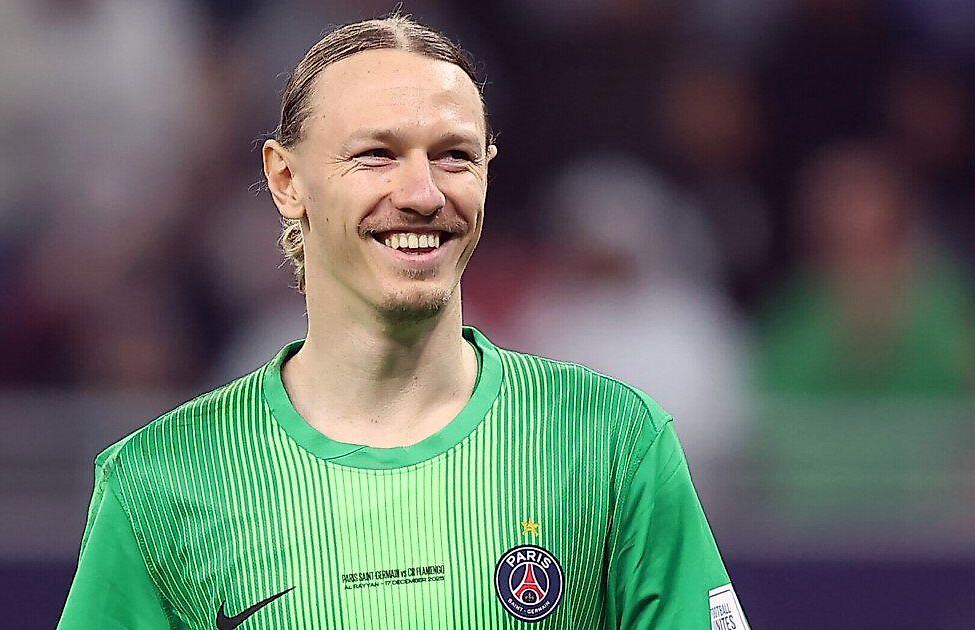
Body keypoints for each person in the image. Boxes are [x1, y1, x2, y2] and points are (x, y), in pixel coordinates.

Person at [58, 14, 747, 629]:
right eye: (377, 155)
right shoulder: (161, 482)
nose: (422, 194)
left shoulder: (611, 442)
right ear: (287, 181)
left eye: (454, 156)